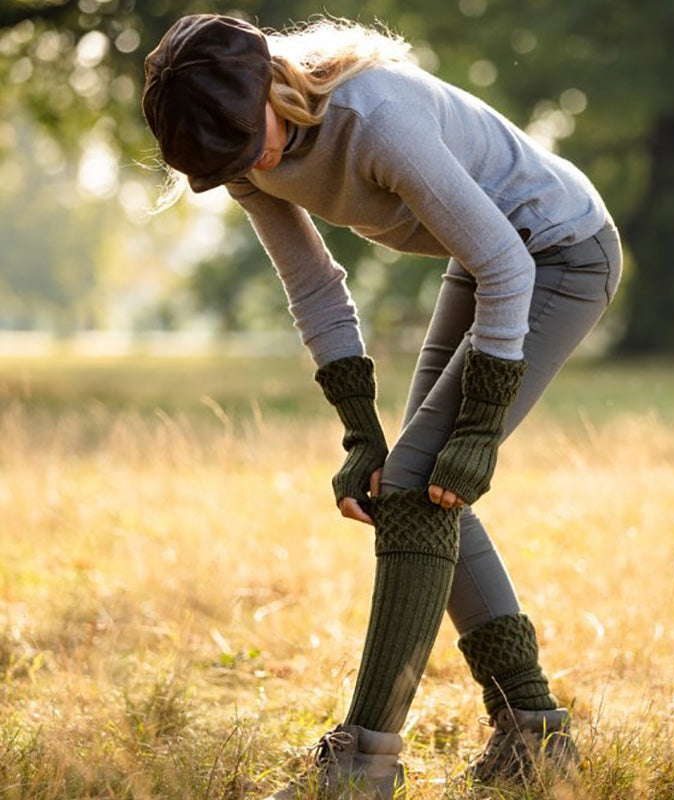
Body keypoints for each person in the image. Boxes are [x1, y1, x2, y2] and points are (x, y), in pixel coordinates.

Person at [142, 13, 622, 799]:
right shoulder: (239, 150)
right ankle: (533, 736)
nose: (253, 162)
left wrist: (480, 427)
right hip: (486, 257)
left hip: (556, 253)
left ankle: (363, 764)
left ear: (269, 83)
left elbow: (507, 262)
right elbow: (315, 289)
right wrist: (360, 433)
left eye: (247, 141)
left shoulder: (377, 118)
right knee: (417, 483)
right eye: (229, 159)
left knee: (420, 489)